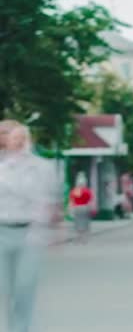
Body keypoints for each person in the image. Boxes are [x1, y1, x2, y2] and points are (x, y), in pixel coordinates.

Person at [0, 121, 62, 332]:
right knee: (4, 288)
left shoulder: (42, 168)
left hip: (29, 233)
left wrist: (46, 230)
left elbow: (48, 201)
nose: (18, 142)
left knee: (24, 286)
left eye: (23, 138)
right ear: (5, 141)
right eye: (13, 138)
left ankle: (20, 329)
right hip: (1, 231)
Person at [69, 172, 94, 244]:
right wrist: (91, 209)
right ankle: (84, 239)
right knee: (85, 223)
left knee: (77, 223)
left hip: (77, 208)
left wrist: (71, 209)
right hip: (85, 208)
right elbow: (90, 201)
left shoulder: (75, 191)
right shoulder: (87, 191)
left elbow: (72, 201)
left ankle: (78, 237)